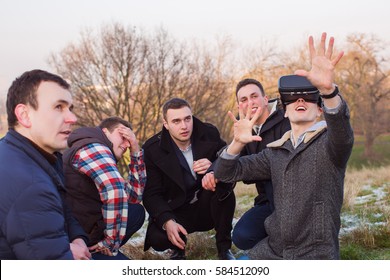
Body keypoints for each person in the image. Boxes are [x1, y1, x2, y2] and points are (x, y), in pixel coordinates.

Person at [214, 32, 354, 259]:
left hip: (315, 254)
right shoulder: (275, 152)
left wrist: (328, 92)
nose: (300, 101)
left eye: (309, 98)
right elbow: (225, 172)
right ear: (285, 110)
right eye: (292, 99)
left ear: (320, 110)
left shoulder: (330, 145)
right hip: (273, 251)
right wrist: (237, 143)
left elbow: (342, 131)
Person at [0, 69, 91, 260]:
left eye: (70, 108)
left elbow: (61, 207)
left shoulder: (31, 154)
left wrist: (77, 238)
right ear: (24, 115)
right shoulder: (30, 185)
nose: (72, 118)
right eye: (59, 107)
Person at [142, 98, 236, 260]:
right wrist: (167, 221)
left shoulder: (209, 133)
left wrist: (214, 167)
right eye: (176, 121)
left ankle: (224, 249)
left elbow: (231, 165)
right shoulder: (152, 150)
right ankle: (177, 249)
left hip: (207, 206)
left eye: (187, 119)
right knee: (158, 239)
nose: (184, 126)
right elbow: (151, 194)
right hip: (176, 210)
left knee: (223, 192)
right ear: (166, 124)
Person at [203, 78, 290, 250]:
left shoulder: (287, 120)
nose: (250, 103)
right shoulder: (244, 129)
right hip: (267, 202)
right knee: (243, 236)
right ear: (239, 107)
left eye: (254, 96)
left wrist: (245, 170)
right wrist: (213, 171)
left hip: (293, 201)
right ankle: (274, 250)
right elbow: (231, 153)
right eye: (243, 100)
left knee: (287, 234)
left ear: (265, 99)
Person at [63, 116, 146, 260]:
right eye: (123, 136)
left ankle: (103, 252)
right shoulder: (93, 146)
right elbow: (114, 190)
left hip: (89, 226)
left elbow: (134, 197)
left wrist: (135, 150)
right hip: (77, 238)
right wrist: (109, 243)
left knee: (136, 211)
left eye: (130, 138)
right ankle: (98, 253)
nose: (127, 144)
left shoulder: (98, 149)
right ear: (105, 132)